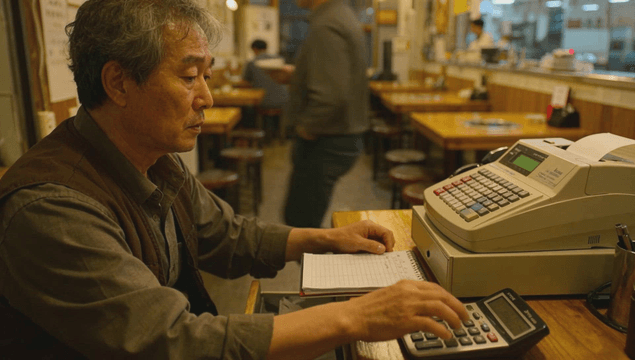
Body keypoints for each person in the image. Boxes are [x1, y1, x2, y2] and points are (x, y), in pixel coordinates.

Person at [0, 1, 468, 359]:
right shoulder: (51, 209)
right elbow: (173, 341)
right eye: (189, 77)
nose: (206, 96)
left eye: (207, 75)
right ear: (118, 83)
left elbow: (225, 234)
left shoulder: (155, 159)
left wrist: (324, 238)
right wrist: (357, 315)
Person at [283, 0, 369, 228]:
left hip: (325, 140)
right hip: (337, 135)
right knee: (304, 221)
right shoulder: (339, 16)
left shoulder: (327, 24)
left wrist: (305, 127)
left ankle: (317, 265)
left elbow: (332, 96)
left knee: (301, 224)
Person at [242, 39, 289, 109]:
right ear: (266, 48)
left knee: (247, 108)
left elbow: (245, 83)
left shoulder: (251, 63)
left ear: (254, 49)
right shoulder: (279, 59)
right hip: (285, 100)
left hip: (263, 101)